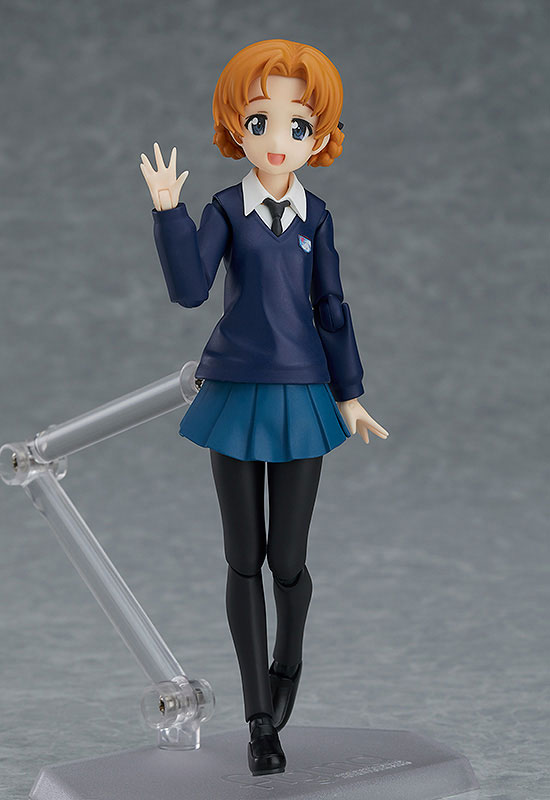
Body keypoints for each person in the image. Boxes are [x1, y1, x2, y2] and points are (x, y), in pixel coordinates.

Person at [140, 38, 388, 777]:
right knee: (242, 558)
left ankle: (290, 660)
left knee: (289, 560)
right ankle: (258, 719)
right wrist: (169, 212)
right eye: (260, 122)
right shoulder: (226, 208)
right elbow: (190, 289)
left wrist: (350, 393)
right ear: (236, 128)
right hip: (235, 391)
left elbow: (332, 306)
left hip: (304, 393)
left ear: (319, 136)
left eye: (297, 126)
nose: (278, 140)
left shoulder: (317, 216)